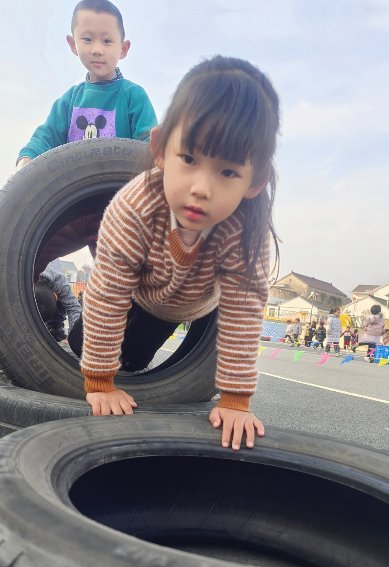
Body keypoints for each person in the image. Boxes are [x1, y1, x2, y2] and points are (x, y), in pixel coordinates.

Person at [69, 55, 280, 450]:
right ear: (162, 149)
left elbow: (243, 311)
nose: (202, 188)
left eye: (228, 172)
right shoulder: (135, 207)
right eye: (189, 159)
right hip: (147, 296)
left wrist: (236, 401)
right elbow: (107, 294)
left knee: (168, 349)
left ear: (255, 182)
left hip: (205, 303)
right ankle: (98, 356)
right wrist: (99, 382)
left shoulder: (245, 231)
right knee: (97, 346)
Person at [16, 0, 157, 171]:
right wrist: (25, 160)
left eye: (107, 41)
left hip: (120, 189)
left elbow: (148, 145)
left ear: (123, 48)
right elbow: (46, 138)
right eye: (88, 39)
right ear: (73, 44)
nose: (97, 49)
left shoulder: (133, 96)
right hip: (74, 193)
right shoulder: (69, 101)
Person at [35, 259, 82, 341]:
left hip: (53, 267)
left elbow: (74, 307)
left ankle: (55, 325)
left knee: (64, 301)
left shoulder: (60, 283)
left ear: (55, 295)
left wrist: (75, 335)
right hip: (37, 267)